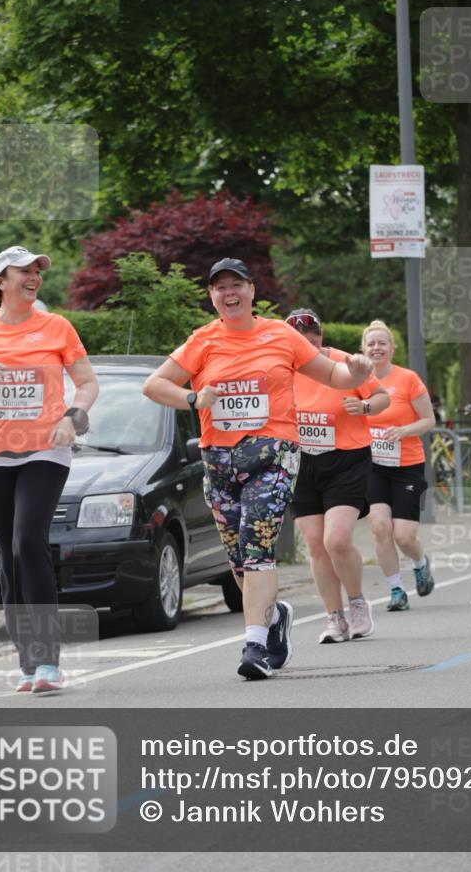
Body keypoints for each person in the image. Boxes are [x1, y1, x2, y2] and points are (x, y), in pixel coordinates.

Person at [142, 259, 373, 680]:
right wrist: (194, 400)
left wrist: (355, 371)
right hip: (219, 460)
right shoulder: (202, 341)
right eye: (219, 288)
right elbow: (154, 384)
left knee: (256, 550)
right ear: (211, 297)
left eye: (236, 285)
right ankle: (274, 617)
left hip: (273, 455)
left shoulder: (281, 335)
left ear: (251, 290)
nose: (228, 294)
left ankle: (255, 647)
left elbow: (335, 376)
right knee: (238, 561)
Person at [0, 246, 98, 693]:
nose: (33, 277)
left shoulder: (56, 327)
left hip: (45, 451)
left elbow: (87, 383)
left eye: (37, 271)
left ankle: (49, 659)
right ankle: (28, 660)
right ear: (0, 281)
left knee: (28, 540)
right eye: (24, 271)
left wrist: (74, 417)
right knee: (8, 556)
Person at [286, 309, 389, 644]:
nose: (307, 344)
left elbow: (381, 396)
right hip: (302, 463)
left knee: (337, 539)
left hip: (346, 459)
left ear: (321, 333)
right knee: (316, 544)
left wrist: (366, 408)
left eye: (312, 336)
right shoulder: (281, 369)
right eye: (299, 339)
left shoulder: (345, 362)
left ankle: (358, 603)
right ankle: (335, 618)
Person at [361, 320, 436, 611]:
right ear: (363, 349)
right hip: (372, 466)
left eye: (382, 343)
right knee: (380, 527)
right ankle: (396, 590)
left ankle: (419, 561)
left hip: (407, 464)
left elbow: (429, 420)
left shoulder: (408, 379)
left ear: (391, 348)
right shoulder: (357, 382)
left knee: (404, 536)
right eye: (371, 344)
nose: (376, 348)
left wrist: (404, 431)